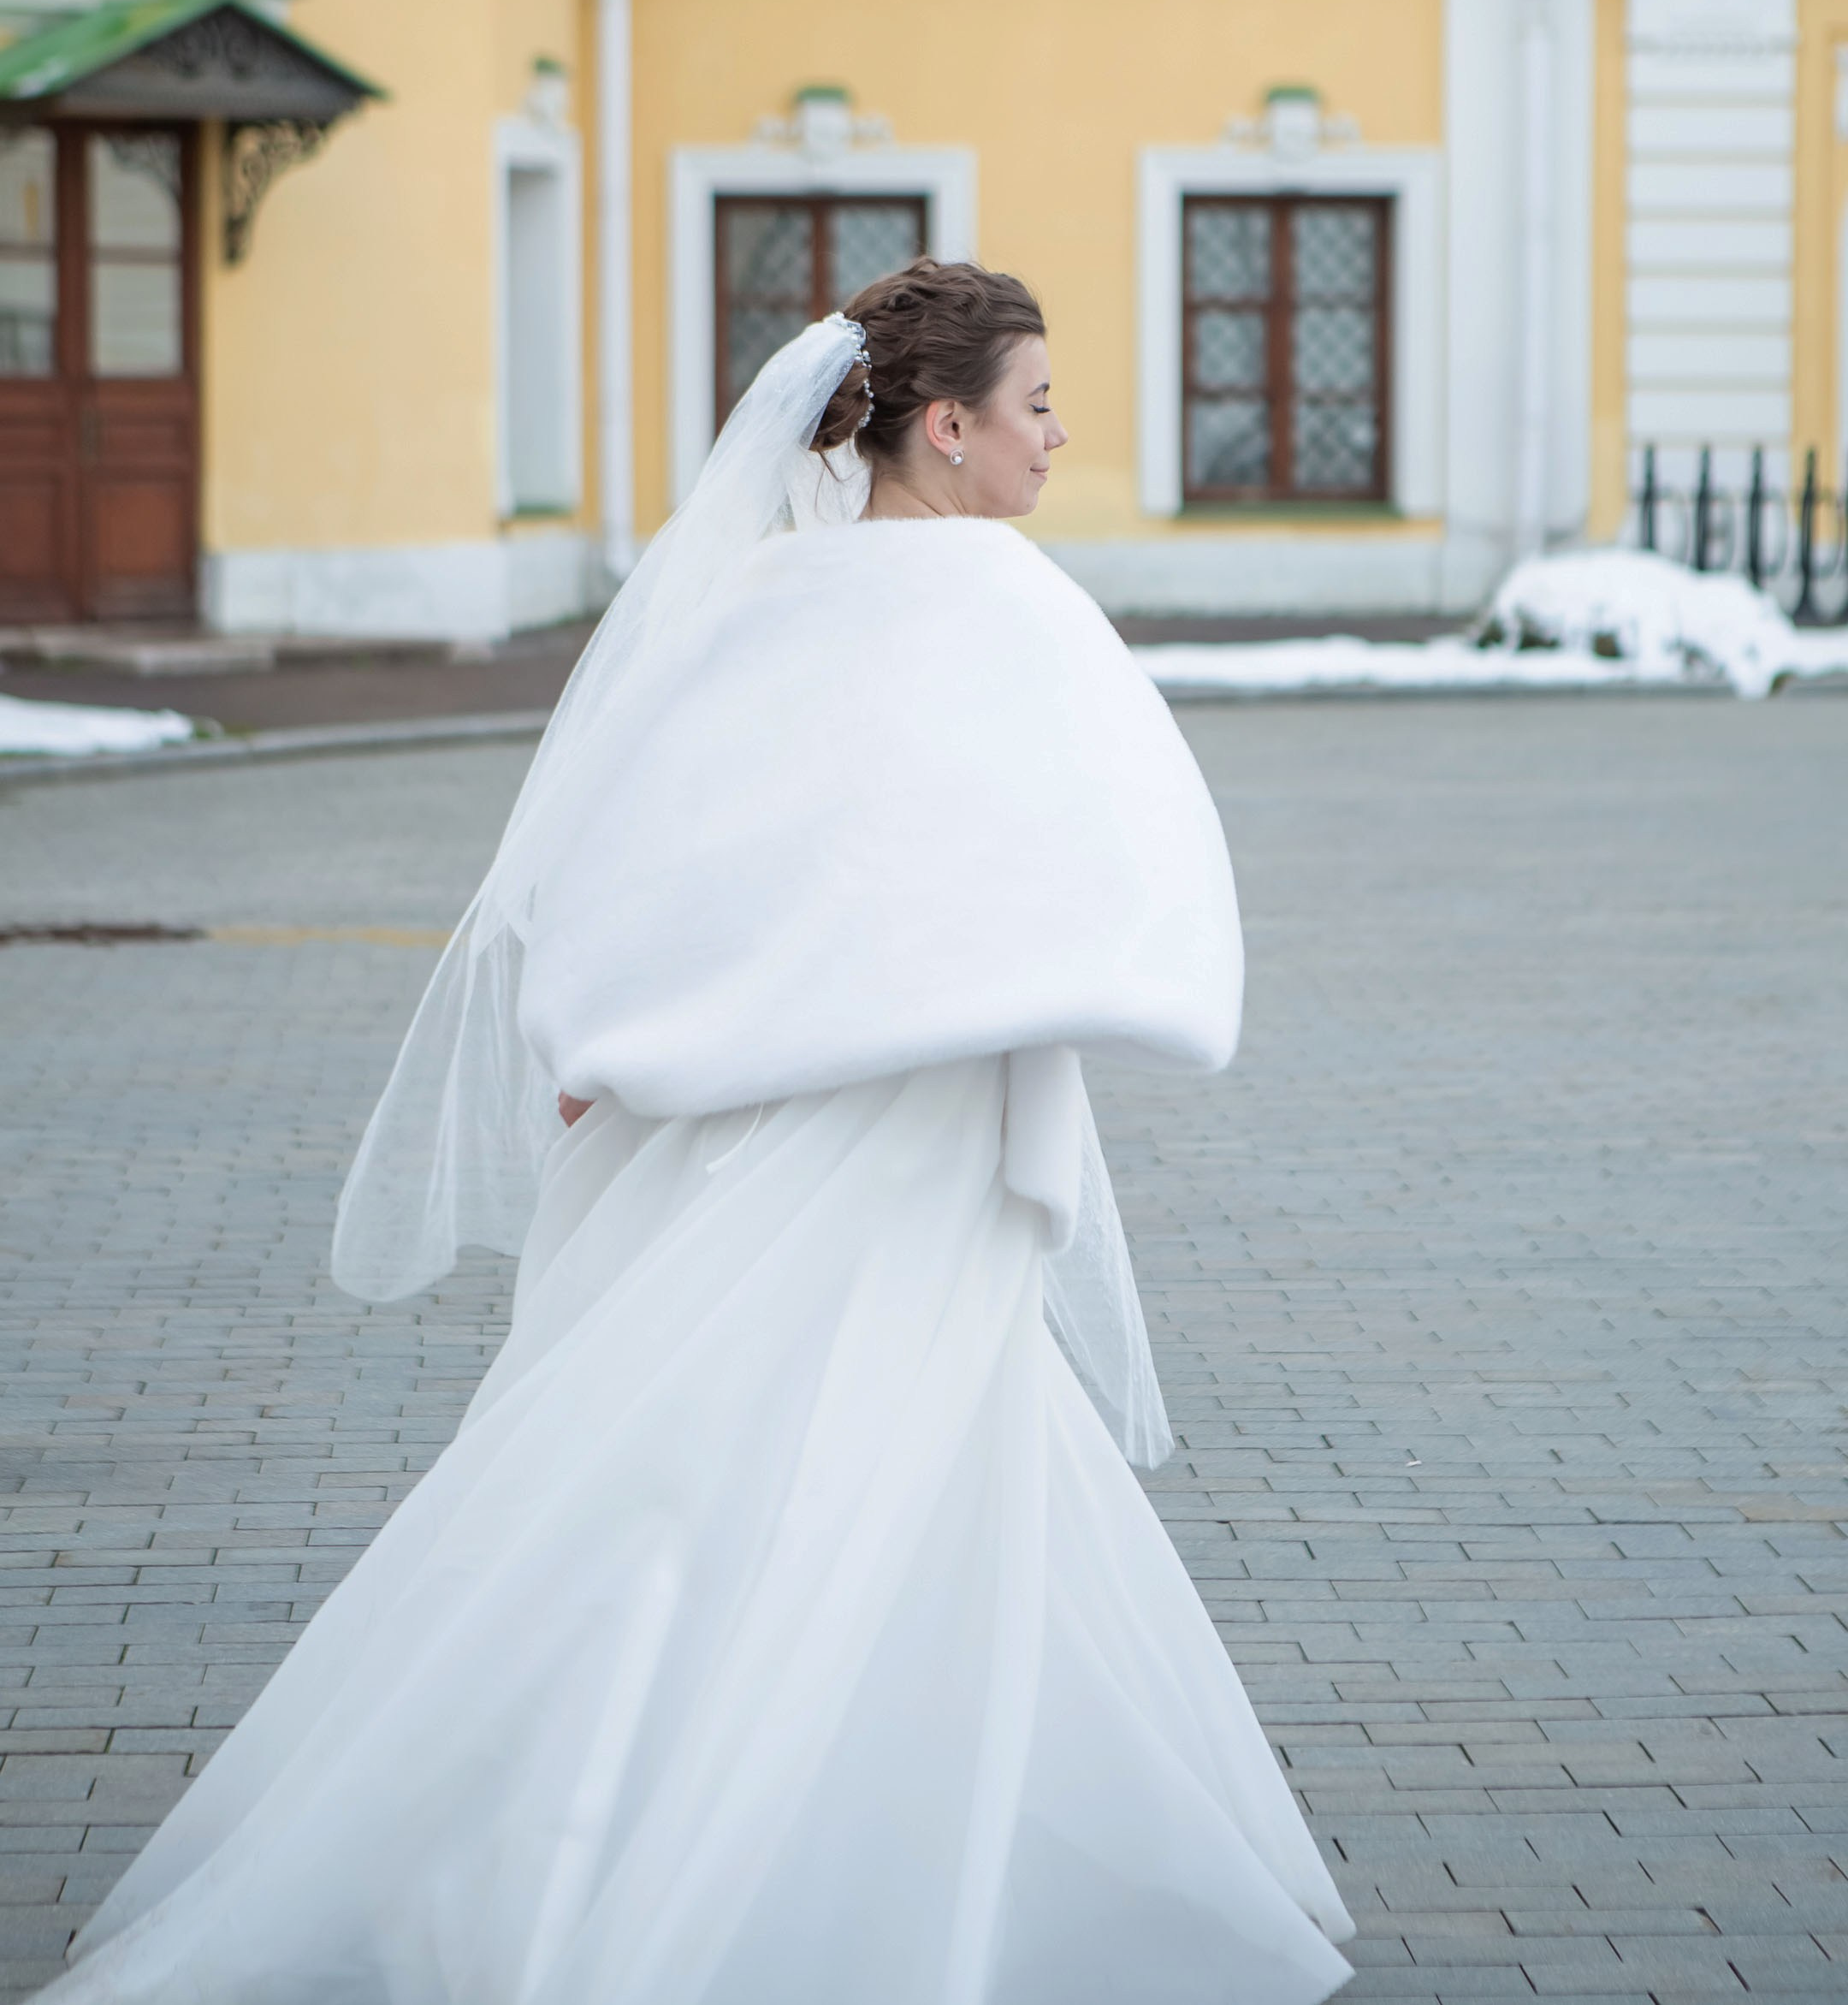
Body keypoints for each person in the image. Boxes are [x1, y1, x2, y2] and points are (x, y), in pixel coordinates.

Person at [41, 261, 1355, 2004]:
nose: (1058, 436)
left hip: (752, 1128)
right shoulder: (1012, 610)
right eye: (1034, 404)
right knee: (859, 1465)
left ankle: (588, 1843)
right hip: (913, 1134)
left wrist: (627, 1026)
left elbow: (639, 838)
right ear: (945, 426)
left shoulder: (757, 607)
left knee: (703, 1465)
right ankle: (803, 1882)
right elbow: (1122, 862)